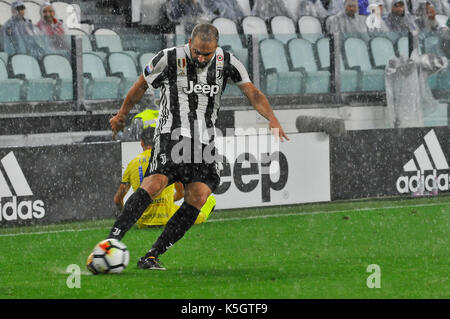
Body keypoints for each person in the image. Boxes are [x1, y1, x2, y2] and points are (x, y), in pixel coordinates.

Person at [105, 23, 288, 270]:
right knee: (155, 183)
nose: (201, 58)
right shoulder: (168, 57)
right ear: (190, 43)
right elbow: (140, 86)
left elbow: (252, 93)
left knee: (199, 196)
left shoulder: (228, 62)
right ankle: (110, 243)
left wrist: (272, 118)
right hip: (171, 133)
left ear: (216, 48)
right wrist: (121, 115)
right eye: (197, 52)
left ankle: (151, 256)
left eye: (207, 53)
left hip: (204, 141)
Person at [114, 126, 215, 228]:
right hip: (168, 217)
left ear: (141, 143)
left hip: (142, 222)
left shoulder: (132, 164)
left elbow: (117, 199)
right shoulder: (168, 160)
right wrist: (164, 201)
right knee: (207, 203)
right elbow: (181, 193)